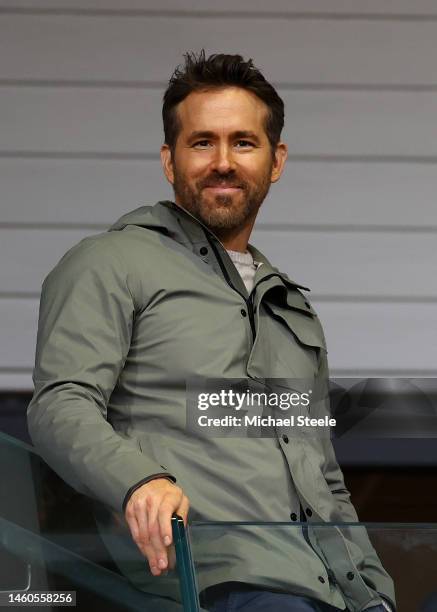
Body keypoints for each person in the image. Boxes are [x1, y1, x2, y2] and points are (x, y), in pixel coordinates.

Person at [27, 51, 395, 612]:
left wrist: (376, 594)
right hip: (211, 582)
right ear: (169, 160)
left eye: (243, 143)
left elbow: (323, 475)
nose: (223, 161)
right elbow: (59, 403)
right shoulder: (109, 262)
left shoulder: (290, 305)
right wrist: (140, 481)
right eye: (202, 143)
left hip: (330, 590)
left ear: (276, 160)